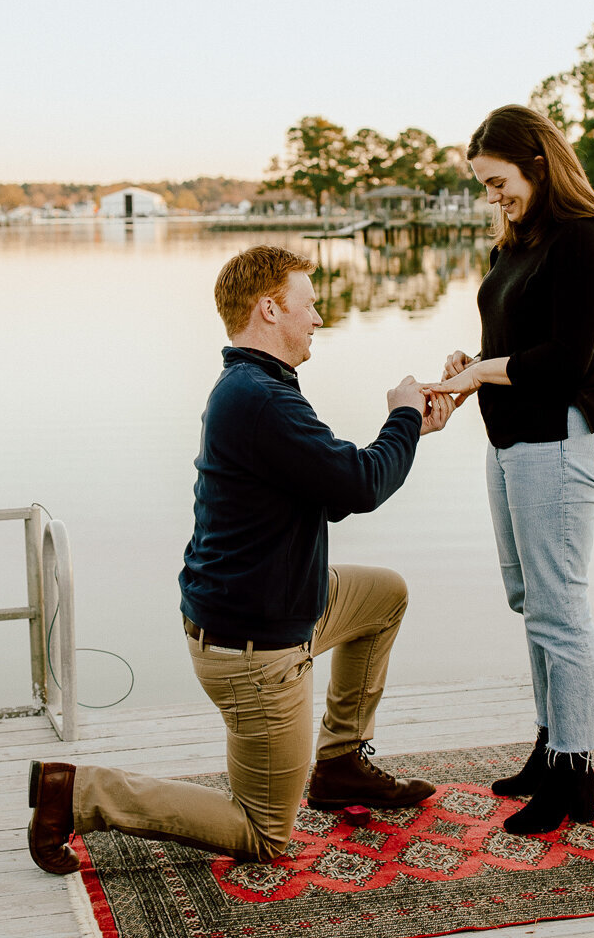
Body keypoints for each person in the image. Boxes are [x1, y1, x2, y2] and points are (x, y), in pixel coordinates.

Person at [29, 244, 453, 873]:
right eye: (309, 307)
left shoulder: (260, 387)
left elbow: (334, 487)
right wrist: (402, 415)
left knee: (383, 593)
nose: (319, 319)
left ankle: (338, 764)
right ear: (268, 309)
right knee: (262, 833)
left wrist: (411, 426)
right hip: (254, 648)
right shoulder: (260, 399)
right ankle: (78, 794)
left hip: (279, 602)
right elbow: (358, 487)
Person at [423, 104, 594, 837]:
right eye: (482, 185)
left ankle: (576, 771)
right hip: (511, 439)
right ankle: (551, 746)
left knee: (558, 605)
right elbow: (510, 341)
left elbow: (567, 360)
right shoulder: (519, 240)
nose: (491, 197)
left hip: (562, 438)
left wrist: (484, 369)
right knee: (529, 598)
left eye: (497, 181)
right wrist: (469, 368)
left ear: (538, 163)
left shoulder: (584, 239)